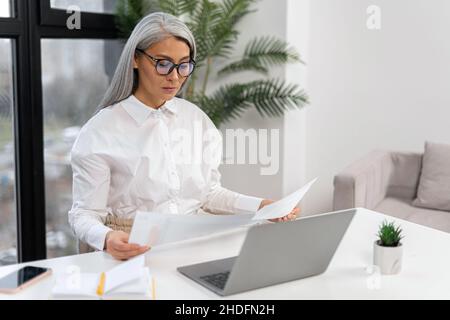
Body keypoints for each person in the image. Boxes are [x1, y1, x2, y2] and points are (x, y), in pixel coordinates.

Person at [68, 12, 300, 261]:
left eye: (184, 65)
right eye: (163, 63)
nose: (175, 76)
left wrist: (261, 206)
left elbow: (208, 194)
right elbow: (83, 214)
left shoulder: (195, 119)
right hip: (133, 249)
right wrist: (106, 237)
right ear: (136, 58)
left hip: (192, 245)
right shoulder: (100, 131)